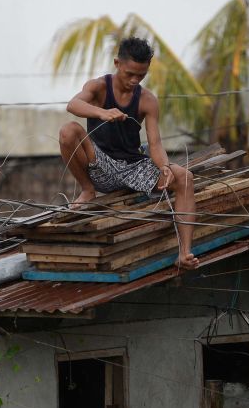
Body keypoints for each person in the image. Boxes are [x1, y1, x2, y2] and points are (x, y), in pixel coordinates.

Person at [58, 37, 199, 269]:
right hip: (100, 165)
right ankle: (87, 190)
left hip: (133, 166)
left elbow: (155, 144)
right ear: (117, 63)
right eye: (129, 74)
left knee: (185, 177)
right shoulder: (98, 87)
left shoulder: (147, 100)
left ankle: (184, 253)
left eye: (141, 75)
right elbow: (73, 105)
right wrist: (101, 113)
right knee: (67, 131)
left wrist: (164, 165)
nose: (134, 80)